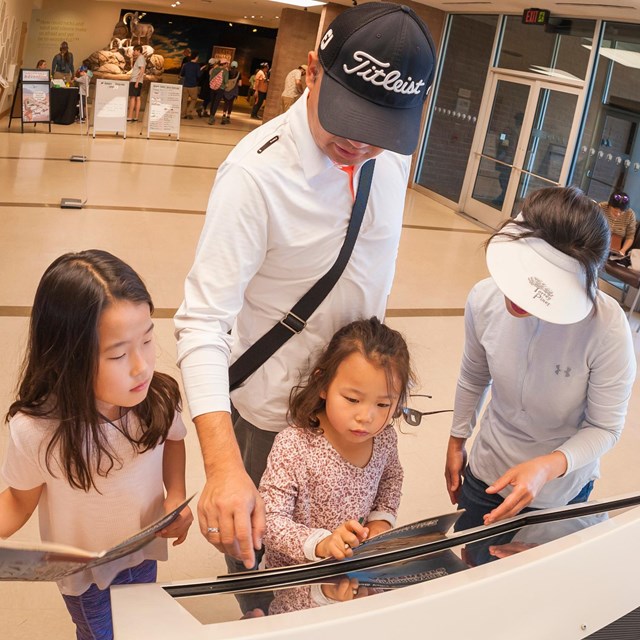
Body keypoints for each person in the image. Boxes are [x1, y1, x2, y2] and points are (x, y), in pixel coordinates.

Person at [175, 1, 436, 571]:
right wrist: (221, 466)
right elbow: (201, 323)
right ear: (313, 70)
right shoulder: (256, 176)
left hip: (355, 418)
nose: (362, 145)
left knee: (343, 565)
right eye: (351, 119)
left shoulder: (387, 165)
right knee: (263, 567)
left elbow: (373, 286)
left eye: (381, 130)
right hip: (272, 415)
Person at [0, 250, 193, 640]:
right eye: (119, 354)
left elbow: (173, 441)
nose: (141, 366)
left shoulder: (156, 398)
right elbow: (19, 500)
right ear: (67, 358)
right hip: (84, 577)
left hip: (142, 551)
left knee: (140, 627)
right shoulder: (38, 431)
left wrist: (176, 494)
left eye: (148, 340)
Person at [445, 186, 636, 534]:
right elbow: (475, 375)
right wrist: (457, 439)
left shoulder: (607, 329)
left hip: (561, 488)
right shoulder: (483, 299)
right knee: (473, 565)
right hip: (490, 471)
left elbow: (605, 427)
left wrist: (549, 466)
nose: (520, 297)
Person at [260, 317, 411, 569]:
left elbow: (391, 478)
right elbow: (271, 521)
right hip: (297, 579)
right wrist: (323, 543)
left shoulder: (384, 438)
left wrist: (381, 521)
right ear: (323, 383)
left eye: (383, 404)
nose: (366, 417)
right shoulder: (293, 445)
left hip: (353, 573)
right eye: (352, 399)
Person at [599, 190, 636, 255]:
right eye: (615, 211)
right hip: (598, 243)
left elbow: (630, 237)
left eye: (621, 212)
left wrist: (623, 250)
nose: (618, 214)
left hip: (615, 250)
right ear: (609, 205)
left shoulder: (630, 214)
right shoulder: (601, 207)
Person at [127, 44, 146, 122]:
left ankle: (130, 116)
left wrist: (137, 81)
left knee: (132, 98)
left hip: (135, 80)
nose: (133, 52)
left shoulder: (140, 58)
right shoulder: (141, 58)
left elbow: (142, 70)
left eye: (134, 50)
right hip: (137, 81)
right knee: (137, 98)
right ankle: (136, 117)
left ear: (138, 50)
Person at [207, 59, 229, 126]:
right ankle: (212, 117)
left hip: (213, 88)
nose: (227, 65)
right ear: (224, 64)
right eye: (227, 64)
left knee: (212, 101)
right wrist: (225, 86)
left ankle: (211, 116)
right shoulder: (225, 71)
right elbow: (226, 82)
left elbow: (210, 79)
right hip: (220, 89)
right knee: (216, 103)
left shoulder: (214, 69)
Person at [179, 52, 200, 119]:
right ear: (196, 57)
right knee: (194, 99)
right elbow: (198, 75)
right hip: (193, 85)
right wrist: (201, 70)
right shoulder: (197, 66)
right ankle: (188, 112)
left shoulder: (185, 65)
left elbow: (182, 74)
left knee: (184, 100)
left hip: (185, 85)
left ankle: (182, 114)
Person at [220, 61, 241, 125]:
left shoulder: (227, 72)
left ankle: (223, 115)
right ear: (237, 66)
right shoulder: (238, 73)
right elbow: (240, 84)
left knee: (226, 103)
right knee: (231, 104)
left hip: (226, 89)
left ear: (231, 66)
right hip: (234, 90)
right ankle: (228, 117)